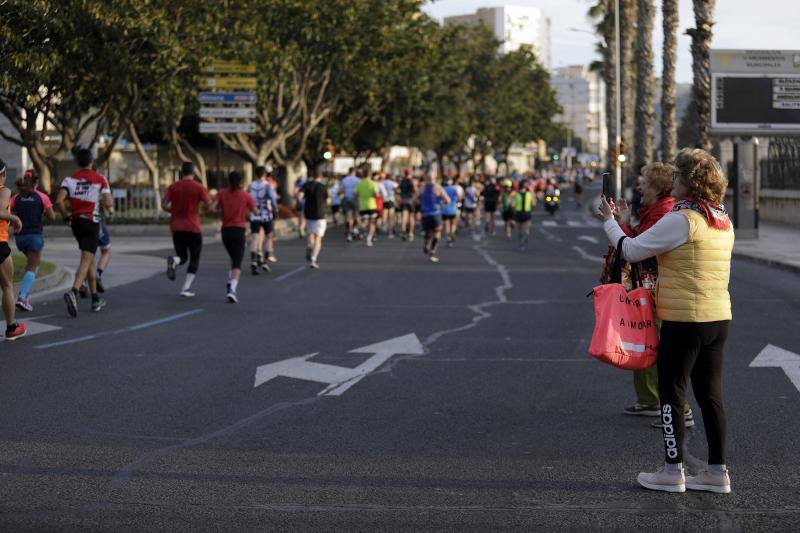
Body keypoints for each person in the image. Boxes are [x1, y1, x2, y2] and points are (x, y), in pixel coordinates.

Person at [599, 148, 735, 494]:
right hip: (717, 316)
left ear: (689, 182)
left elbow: (631, 250)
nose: (671, 180)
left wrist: (609, 223)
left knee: (672, 392)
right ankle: (717, 472)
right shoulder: (721, 217)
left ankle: (672, 471)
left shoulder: (683, 219)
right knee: (710, 396)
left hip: (683, 318)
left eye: (676, 176)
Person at [607, 163, 693, 430]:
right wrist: (624, 222)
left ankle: (680, 410)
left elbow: (638, 250)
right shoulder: (653, 211)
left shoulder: (665, 212)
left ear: (657, 187)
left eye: (644, 182)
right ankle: (649, 400)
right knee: (643, 341)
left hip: (658, 289)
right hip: (648, 287)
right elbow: (637, 242)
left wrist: (613, 224)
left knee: (658, 349)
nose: (639, 187)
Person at [56, 149, 113, 317]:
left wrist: (66, 216)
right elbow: (108, 202)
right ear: (92, 161)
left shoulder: (69, 179)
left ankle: (95, 298)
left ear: (78, 162)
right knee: (87, 259)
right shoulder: (100, 178)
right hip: (91, 221)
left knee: (89, 259)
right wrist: (104, 200)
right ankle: (74, 291)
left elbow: (58, 200)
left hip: (76, 222)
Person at [163, 162, 211, 297]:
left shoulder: (173, 187)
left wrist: (173, 211)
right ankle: (185, 288)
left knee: (182, 257)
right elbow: (209, 204)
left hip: (177, 227)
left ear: (181, 172)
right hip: (193, 227)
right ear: (194, 172)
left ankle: (174, 259)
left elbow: (164, 204)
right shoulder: (199, 187)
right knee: (194, 259)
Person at [10, 170, 55, 312]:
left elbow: (9, 214)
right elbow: (52, 216)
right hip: (35, 236)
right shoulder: (42, 197)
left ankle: (26, 294)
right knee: (32, 266)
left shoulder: (15, 198)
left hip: (20, 238)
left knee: (33, 264)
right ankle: (22, 297)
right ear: (36, 182)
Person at [212, 171, 257, 303]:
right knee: (237, 262)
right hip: (239, 230)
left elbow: (211, 208)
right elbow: (255, 211)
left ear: (229, 181)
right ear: (241, 181)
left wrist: (221, 211)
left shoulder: (221, 193)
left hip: (225, 231)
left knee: (233, 257)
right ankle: (232, 289)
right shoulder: (245, 195)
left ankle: (230, 279)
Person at [0, 159, 26, 339]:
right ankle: (11, 328)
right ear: (3, 175)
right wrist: (14, 218)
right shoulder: (4, 190)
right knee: (7, 286)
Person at [297, 168, 330, 269]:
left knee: (310, 233)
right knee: (318, 238)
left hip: (308, 213)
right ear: (321, 176)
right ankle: (313, 259)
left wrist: (300, 202)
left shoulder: (306, 185)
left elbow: (299, 195)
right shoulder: (323, 187)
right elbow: (328, 201)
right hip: (320, 214)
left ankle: (309, 246)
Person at [247, 165, 278, 275]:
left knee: (255, 237)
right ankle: (265, 261)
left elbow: (247, 198)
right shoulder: (267, 186)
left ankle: (253, 261)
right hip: (266, 215)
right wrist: (276, 210)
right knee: (269, 236)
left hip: (254, 215)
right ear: (264, 174)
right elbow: (273, 200)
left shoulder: (250, 186)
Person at [418, 174, 450, 263]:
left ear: (426, 179)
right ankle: (433, 252)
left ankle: (426, 244)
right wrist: (442, 203)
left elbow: (414, 199)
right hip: (436, 213)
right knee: (437, 232)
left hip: (425, 213)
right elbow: (448, 200)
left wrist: (422, 202)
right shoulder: (438, 188)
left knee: (428, 231)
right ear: (435, 179)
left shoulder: (422, 188)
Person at [354, 171, 381, 247]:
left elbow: (355, 193)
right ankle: (369, 239)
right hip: (371, 205)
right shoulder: (373, 183)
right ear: (369, 175)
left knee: (365, 222)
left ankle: (357, 229)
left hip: (362, 206)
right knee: (372, 223)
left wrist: (361, 196)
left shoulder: (360, 183)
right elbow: (377, 194)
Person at [512, 179, 534, 250]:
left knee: (520, 230)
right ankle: (526, 235)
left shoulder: (516, 194)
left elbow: (512, 204)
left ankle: (521, 245)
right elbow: (533, 203)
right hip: (527, 213)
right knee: (526, 228)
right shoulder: (529, 194)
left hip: (518, 213)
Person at [341, 168, 360, 241]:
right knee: (356, 216)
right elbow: (359, 191)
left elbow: (342, 190)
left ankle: (349, 234)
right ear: (354, 172)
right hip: (355, 199)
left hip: (346, 199)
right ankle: (355, 229)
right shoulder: (358, 180)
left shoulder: (344, 180)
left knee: (348, 217)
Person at [398, 169, 416, 241]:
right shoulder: (411, 181)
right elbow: (414, 190)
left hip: (403, 200)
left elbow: (398, 190)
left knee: (404, 217)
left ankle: (403, 233)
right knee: (411, 217)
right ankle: (411, 234)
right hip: (410, 201)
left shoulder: (402, 181)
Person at [441, 177, 460, 247]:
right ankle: (452, 234)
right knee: (453, 224)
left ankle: (448, 238)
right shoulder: (454, 189)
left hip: (445, 209)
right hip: (453, 209)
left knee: (446, 225)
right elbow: (459, 198)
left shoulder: (443, 189)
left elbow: (441, 198)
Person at [380, 172, 397, 238]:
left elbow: (379, 191)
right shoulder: (393, 183)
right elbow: (396, 188)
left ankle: (384, 225)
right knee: (391, 217)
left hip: (384, 200)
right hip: (391, 199)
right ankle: (390, 231)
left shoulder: (382, 183)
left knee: (385, 214)